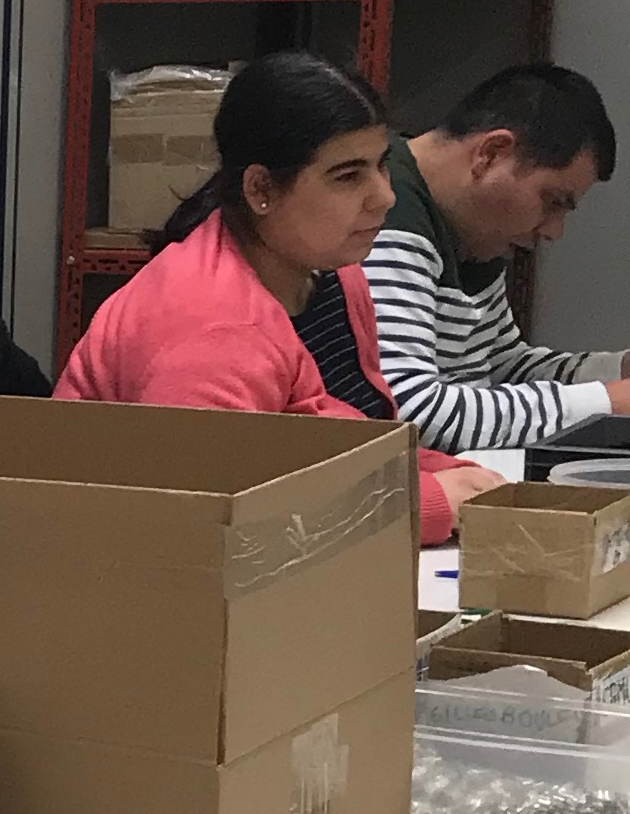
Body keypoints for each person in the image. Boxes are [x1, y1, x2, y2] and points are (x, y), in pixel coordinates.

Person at [56, 48, 490, 542]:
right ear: (261, 189)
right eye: (348, 176)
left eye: (382, 165)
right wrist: (423, 503)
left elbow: (338, 439)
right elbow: (210, 523)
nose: (385, 196)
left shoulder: (330, 271)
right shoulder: (212, 331)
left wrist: (442, 472)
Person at [362, 62, 629, 461]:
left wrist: (616, 371)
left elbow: (500, 365)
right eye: (552, 201)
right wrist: (606, 402)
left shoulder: (472, 228)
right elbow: (407, 410)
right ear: (491, 154)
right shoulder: (388, 215)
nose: (554, 231)